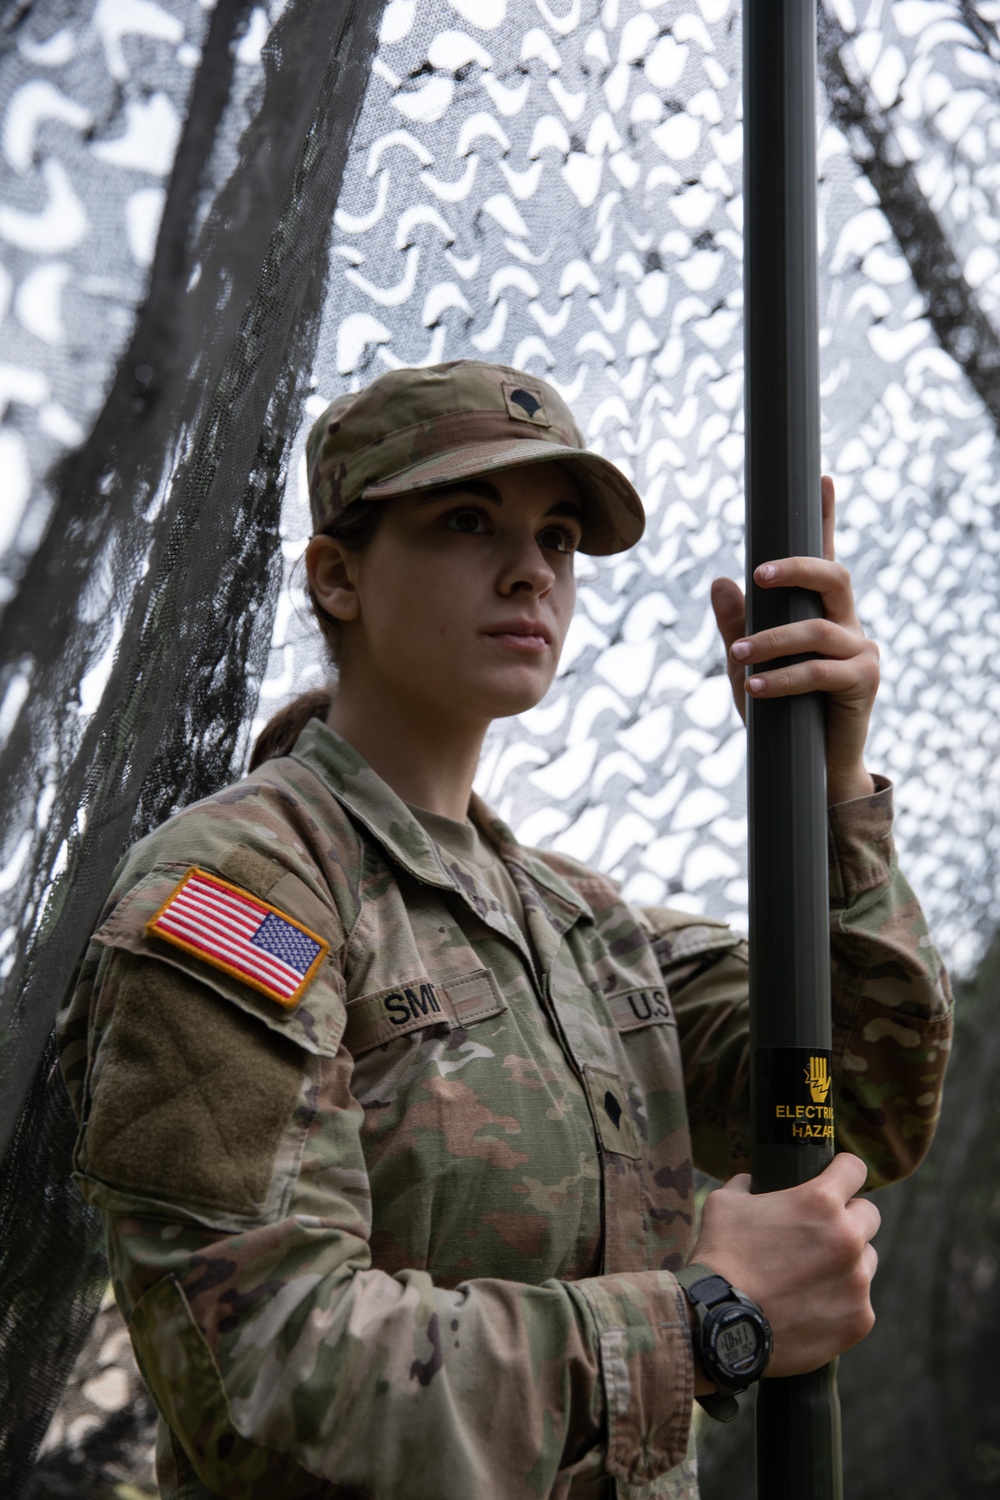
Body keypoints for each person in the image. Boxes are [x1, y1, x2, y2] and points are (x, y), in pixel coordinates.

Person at [57, 360, 952, 1500]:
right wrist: (706, 1319)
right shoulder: (247, 895)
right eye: (467, 521)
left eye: (559, 538)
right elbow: (263, 1375)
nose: (530, 570)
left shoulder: (589, 926)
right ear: (337, 575)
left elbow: (863, 1096)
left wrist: (830, 785)